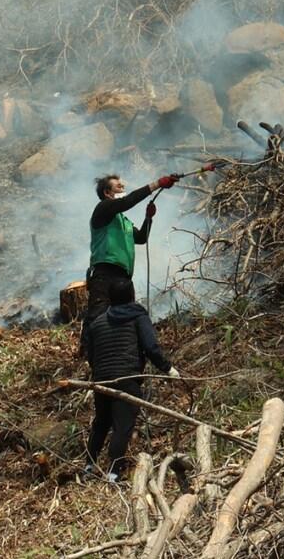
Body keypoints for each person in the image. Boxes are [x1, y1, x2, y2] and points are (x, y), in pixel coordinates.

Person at [80, 278, 179, 481]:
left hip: (101, 381)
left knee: (101, 422)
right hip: (127, 378)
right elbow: (150, 347)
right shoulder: (137, 316)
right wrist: (168, 368)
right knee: (122, 426)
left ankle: (89, 465)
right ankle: (114, 473)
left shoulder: (98, 323)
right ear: (132, 295)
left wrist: (99, 375)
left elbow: (91, 356)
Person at [86, 172, 179, 321]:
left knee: (127, 321)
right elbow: (128, 201)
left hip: (124, 277)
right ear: (107, 193)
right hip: (104, 274)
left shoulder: (125, 222)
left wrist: (148, 218)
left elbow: (141, 238)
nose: (123, 187)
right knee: (97, 318)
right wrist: (157, 184)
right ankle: (89, 345)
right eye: (118, 186)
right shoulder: (102, 209)